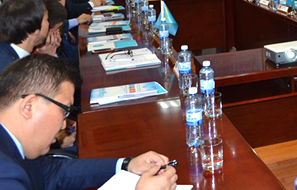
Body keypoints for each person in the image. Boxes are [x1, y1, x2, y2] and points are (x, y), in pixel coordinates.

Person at [0, 54, 178, 190]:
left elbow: (55, 172)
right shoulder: (5, 177)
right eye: (64, 110)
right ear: (28, 106)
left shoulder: (16, 144)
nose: (64, 125)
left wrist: (126, 164)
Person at [0, 0, 49, 73]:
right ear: (34, 29)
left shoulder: (7, 53)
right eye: (47, 19)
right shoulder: (10, 70)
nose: (49, 24)